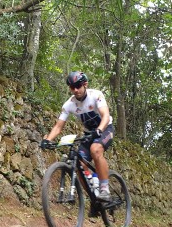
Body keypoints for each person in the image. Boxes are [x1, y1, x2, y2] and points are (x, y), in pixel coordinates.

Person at [39, 71, 115, 202]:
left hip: (105, 128)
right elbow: (58, 127)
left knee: (95, 150)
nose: (75, 90)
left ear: (85, 84)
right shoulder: (69, 104)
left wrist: (99, 130)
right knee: (79, 165)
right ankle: (94, 198)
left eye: (78, 86)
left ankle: (104, 189)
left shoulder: (96, 95)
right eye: (72, 87)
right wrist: (47, 140)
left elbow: (105, 116)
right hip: (88, 133)